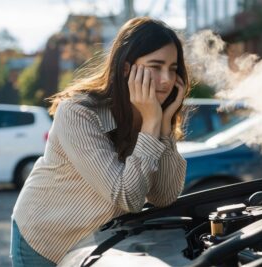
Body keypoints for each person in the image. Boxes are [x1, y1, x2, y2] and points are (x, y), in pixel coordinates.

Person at [11, 17, 189, 266]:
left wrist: (165, 125)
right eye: (155, 66)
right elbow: (128, 197)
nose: (167, 79)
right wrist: (151, 124)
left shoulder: (154, 114)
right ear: (126, 68)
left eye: (172, 68)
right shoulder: (78, 112)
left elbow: (164, 196)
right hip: (44, 239)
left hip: (94, 245)